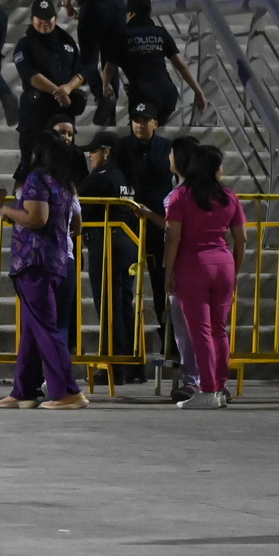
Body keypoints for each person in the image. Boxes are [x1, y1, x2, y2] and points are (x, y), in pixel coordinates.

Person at [0, 133, 90, 408]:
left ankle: (67, 391)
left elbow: (37, 218)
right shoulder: (65, 184)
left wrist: (9, 211)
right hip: (57, 260)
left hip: (34, 262)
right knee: (32, 329)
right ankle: (23, 391)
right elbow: (74, 224)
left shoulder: (37, 179)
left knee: (45, 327)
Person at [164, 142, 245, 409]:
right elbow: (241, 239)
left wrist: (169, 272)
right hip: (224, 264)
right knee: (220, 330)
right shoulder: (229, 197)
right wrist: (235, 268)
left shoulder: (180, 197)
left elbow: (173, 237)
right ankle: (220, 388)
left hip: (193, 264)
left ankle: (207, 389)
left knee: (200, 331)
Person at [110, 99, 178, 370]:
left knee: (164, 288)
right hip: (129, 225)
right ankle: (126, 357)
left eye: (145, 120)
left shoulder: (166, 147)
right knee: (124, 290)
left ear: (155, 123)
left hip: (158, 225)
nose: (139, 124)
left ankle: (171, 347)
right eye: (136, 120)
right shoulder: (121, 147)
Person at [77, 129, 141, 381]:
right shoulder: (123, 177)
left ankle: (114, 367)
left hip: (107, 244)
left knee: (108, 306)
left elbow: (80, 209)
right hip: (126, 242)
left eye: (93, 151)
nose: (90, 156)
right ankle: (130, 366)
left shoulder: (99, 179)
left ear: (106, 152)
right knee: (124, 305)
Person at [100, 0, 207, 125]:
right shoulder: (160, 33)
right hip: (167, 94)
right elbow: (181, 65)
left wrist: (106, 86)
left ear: (129, 13)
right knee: (152, 132)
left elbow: (109, 69)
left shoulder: (123, 36)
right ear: (149, 12)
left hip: (142, 94)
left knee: (139, 135)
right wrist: (198, 91)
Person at [11, 0, 85, 180]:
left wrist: (68, 88)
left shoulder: (67, 41)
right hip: (37, 114)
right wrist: (57, 92)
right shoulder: (25, 44)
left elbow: (82, 71)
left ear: (55, 18)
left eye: (48, 17)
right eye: (40, 18)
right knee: (30, 162)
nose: (44, 22)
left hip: (63, 113)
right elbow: (30, 75)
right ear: (32, 19)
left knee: (64, 161)